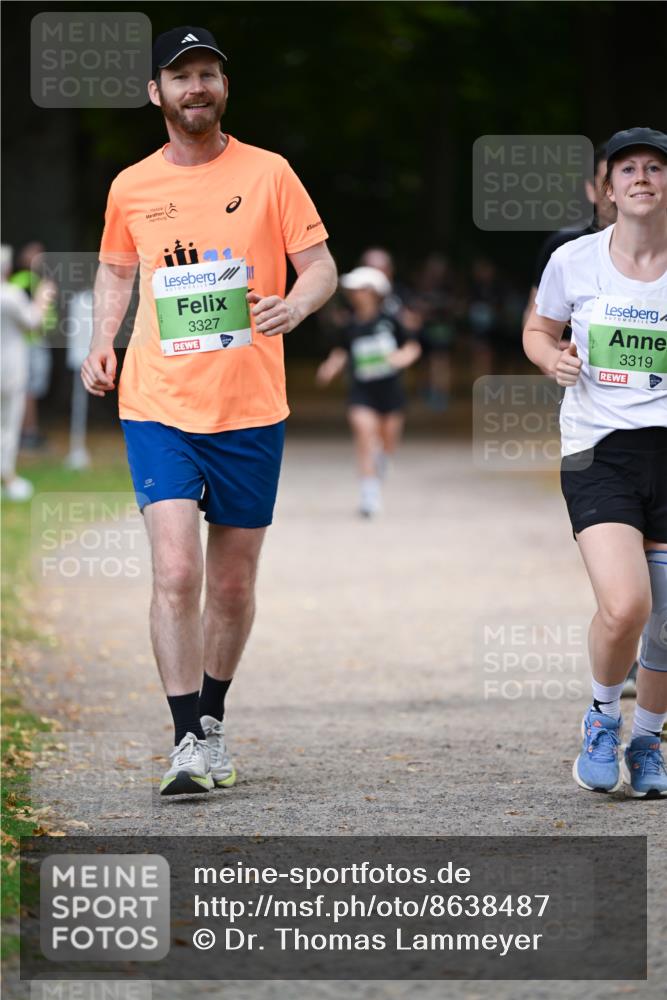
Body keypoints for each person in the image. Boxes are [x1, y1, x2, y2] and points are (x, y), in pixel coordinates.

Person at [81, 26, 337, 797]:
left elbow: (320, 266)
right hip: (158, 401)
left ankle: (214, 716)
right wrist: (101, 341)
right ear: (155, 93)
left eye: (209, 75)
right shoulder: (131, 185)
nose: (197, 87)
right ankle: (185, 737)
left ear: (224, 89)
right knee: (175, 569)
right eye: (181, 75)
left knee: (230, 584)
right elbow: (116, 271)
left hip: (251, 405)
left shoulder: (269, 173)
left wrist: (293, 306)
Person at [523, 127, 667, 798]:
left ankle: (647, 744)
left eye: (655, 168)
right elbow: (537, 328)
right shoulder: (573, 260)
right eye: (627, 168)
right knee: (626, 605)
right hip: (596, 451)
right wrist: (552, 358)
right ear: (606, 190)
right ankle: (604, 717)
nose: (642, 177)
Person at [316, 266, 420, 516]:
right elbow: (341, 351)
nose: (354, 294)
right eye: (352, 290)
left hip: (391, 392)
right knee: (365, 437)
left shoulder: (390, 320)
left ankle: (381, 462)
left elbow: (412, 345)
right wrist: (330, 367)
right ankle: (369, 496)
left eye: (360, 289)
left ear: (374, 293)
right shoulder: (349, 325)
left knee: (387, 442)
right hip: (361, 392)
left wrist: (402, 358)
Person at [1, 246, 55, 500]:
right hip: (10, 369)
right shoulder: (10, 294)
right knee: (9, 424)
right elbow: (33, 321)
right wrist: (43, 298)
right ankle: (8, 478)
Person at [10, 241, 58, 451]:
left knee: (32, 388)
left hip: (38, 341)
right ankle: (27, 433)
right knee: (27, 388)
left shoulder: (37, 280)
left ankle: (28, 431)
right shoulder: (22, 281)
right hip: (28, 343)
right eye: (33, 252)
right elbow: (29, 316)